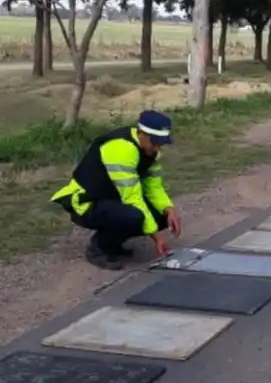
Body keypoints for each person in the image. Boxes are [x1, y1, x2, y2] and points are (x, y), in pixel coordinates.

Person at [50, 110, 181, 270]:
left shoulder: (151, 152)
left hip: (112, 199)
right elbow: (132, 197)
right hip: (86, 202)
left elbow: (153, 187)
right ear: (141, 134)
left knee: (162, 216)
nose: (157, 148)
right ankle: (98, 248)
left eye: (161, 144)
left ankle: (113, 245)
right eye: (154, 143)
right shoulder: (121, 149)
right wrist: (156, 238)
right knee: (135, 216)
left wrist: (169, 209)